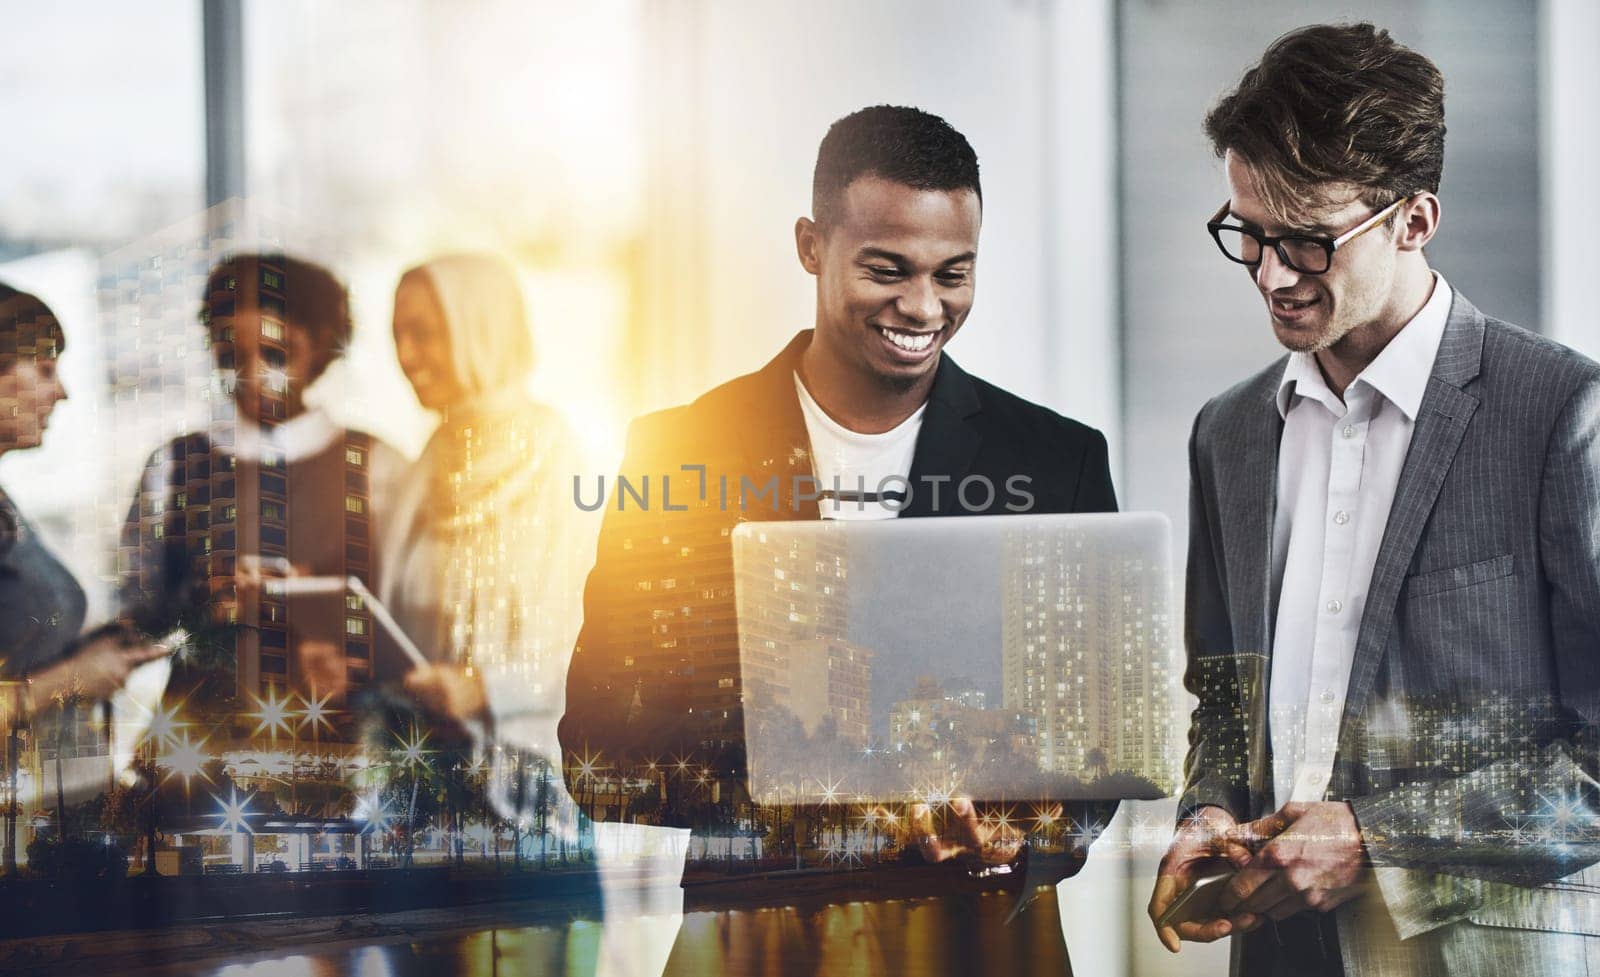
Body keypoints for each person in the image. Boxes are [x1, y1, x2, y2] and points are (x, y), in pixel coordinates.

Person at [559, 105, 1119, 975]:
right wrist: (828, 805)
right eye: (887, 270)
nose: (923, 307)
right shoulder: (679, 452)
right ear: (811, 245)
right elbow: (599, 755)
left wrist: (1023, 827)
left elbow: (1097, 762)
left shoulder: (1055, 461)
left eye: (954, 274)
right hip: (756, 940)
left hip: (978, 942)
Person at [1148, 23, 1600, 977]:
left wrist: (1378, 839)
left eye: (1308, 241)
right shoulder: (1226, 434)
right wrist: (1208, 811)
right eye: (1249, 233)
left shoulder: (1562, 412)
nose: (1272, 273)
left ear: (1415, 219)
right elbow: (1227, 697)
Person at [119, 254, 404, 779]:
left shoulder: (377, 469)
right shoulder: (176, 466)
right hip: (197, 752)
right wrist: (205, 601)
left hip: (341, 753)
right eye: (231, 355)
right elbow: (137, 617)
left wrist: (321, 607)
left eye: (275, 353)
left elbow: (411, 630)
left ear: (322, 347)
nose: (251, 375)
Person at [380, 253, 596, 828]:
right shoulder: (427, 463)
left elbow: (595, 644)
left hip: (533, 810)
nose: (404, 356)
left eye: (424, 334)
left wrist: (481, 689)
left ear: (482, 330)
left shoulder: (556, 462)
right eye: (397, 335)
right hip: (426, 797)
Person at [0, 284, 166, 845]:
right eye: (44, 369)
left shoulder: (4, 504)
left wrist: (90, 648)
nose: (62, 392)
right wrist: (71, 679)